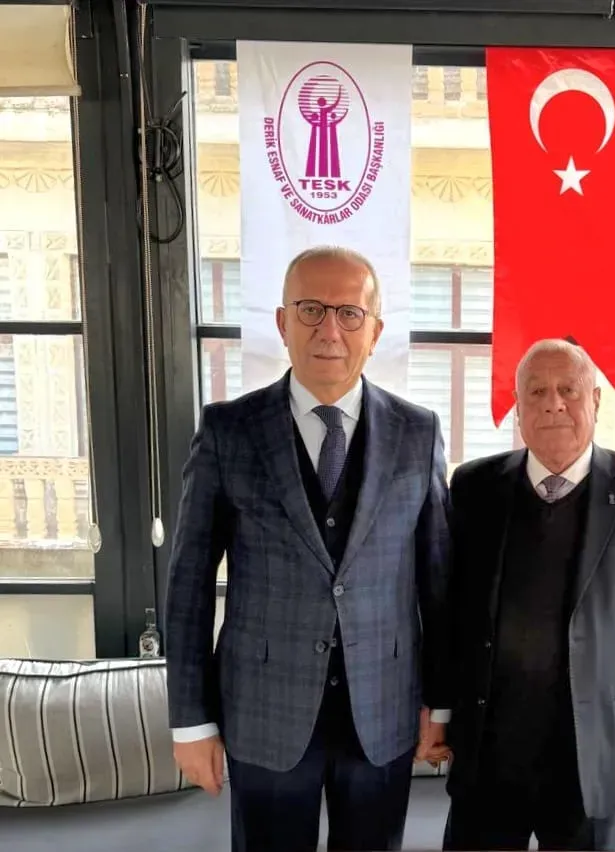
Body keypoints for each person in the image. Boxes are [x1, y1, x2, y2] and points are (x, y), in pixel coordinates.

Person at [164, 246, 451, 852]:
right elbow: (189, 586)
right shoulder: (227, 430)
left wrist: (441, 703)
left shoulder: (418, 432)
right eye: (311, 309)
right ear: (282, 321)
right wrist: (191, 721)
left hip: (383, 709)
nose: (329, 330)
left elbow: (439, 585)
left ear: (375, 332)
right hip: (263, 711)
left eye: (349, 314)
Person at [441, 338, 615, 851]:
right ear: (518, 409)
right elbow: (447, 612)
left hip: (596, 756)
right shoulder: (473, 487)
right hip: (490, 752)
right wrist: (439, 712)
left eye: (568, 390)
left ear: (595, 400)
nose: (553, 403)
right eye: (536, 391)